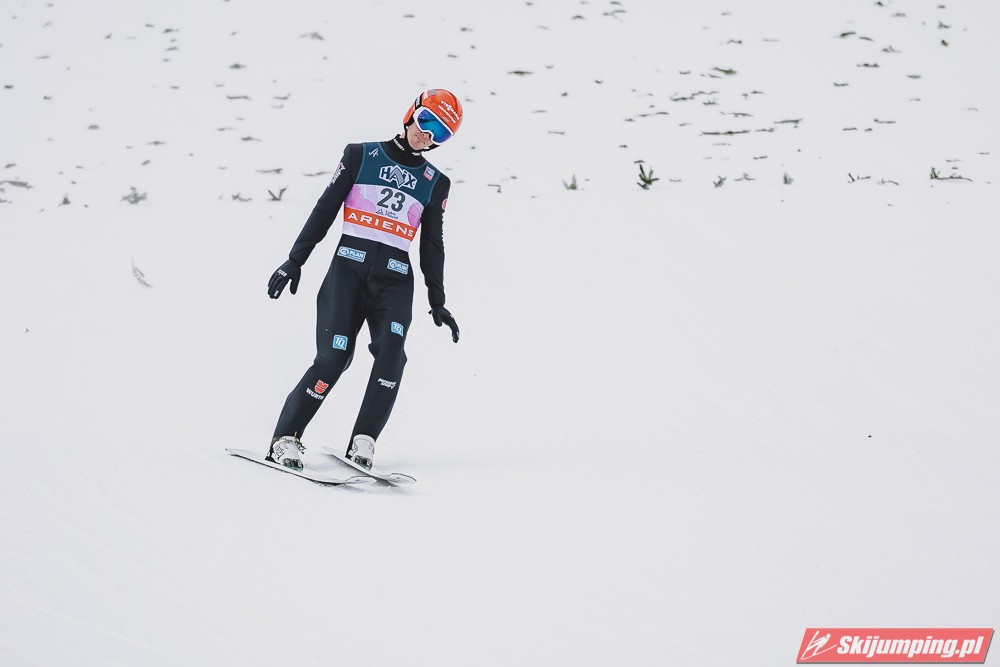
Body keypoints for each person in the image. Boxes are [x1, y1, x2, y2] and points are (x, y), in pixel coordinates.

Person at [265, 89, 463, 471]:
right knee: (334, 358)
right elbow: (325, 208)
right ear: (411, 113)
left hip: (395, 282)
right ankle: (285, 438)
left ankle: (364, 440)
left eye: (440, 133)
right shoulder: (360, 155)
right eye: (426, 122)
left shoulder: (435, 182)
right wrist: (295, 260)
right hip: (347, 274)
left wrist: (437, 300)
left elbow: (432, 245)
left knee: (392, 355)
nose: (427, 135)